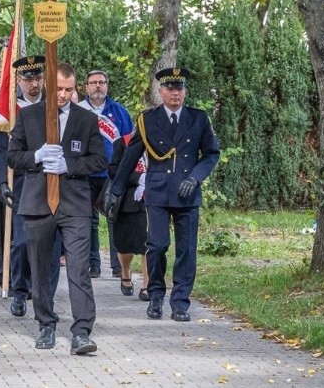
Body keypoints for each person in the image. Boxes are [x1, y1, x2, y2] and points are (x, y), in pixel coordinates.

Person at [8, 62, 107, 354]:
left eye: (68, 89)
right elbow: (12, 156)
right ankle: (46, 324)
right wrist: (36, 156)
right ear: (50, 86)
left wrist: (71, 165)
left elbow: (99, 160)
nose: (63, 95)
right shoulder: (28, 116)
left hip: (74, 203)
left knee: (78, 269)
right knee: (40, 269)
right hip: (39, 202)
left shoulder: (85, 119)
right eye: (59, 89)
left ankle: (82, 331)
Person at [107, 67, 220, 322]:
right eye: (170, 88)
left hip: (187, 194)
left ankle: (180, 302)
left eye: (179, 88)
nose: (175, 93)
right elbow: (131, 156)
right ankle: (156, 295)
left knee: (186, 250)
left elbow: (211, 154)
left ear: (185, 91)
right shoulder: (148, 120)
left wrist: (195, 177)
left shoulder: (198, 119)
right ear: (161, 92)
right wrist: (115, 190)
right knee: (157, 246)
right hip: (158, 192)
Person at [0, 55, 61, 317]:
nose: (33, 84)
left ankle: (46, 295)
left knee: (52, 245)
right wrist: (1, 182)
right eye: (27, 78)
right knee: (22, 243)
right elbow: (0, 151)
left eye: (38, 78)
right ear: (18, 81)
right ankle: (20, 291)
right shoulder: (9, 109)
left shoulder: (54, 105)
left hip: (53, 183)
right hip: (20, 183)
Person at [78, 70, 133, 279]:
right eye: (93, 83)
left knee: (114, 220)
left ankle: (118, 266)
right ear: (86, 87)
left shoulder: (119, 112)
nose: (98, 86)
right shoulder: (79, 111)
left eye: (101, 82)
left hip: (113, 174)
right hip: (87, 173)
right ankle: (94, 264)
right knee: (89, 220)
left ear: (107, 85)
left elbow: (129, 142)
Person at [107, 134, 149, 300]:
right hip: (127, 201)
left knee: (150, 244)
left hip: (153, 201)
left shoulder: (163, 142)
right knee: (125, 246)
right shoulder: (123, 142)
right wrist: (139, 178)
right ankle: (125, 271)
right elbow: (113, 170)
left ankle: (148, 286)